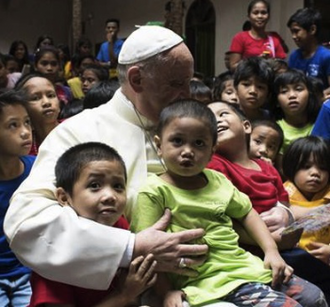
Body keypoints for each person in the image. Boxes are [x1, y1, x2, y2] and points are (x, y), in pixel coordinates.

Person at [4, 25, 209, 291]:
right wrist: (129, 247)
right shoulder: (79, 132)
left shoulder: (190, 129)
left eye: (188, 82)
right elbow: (26, 225)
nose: (187, 94)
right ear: (137, 80)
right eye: (176, 84)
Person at [131, 99, 326, 307]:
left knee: (315, 297)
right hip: (206, 281)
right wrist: (165, 292)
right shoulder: (153, 192)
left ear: (211, 151)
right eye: (177, 141)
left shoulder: (217, 180)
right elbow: (149, 251)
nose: (188, 151)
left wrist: (271, 251)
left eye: (199, 143)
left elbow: (247, 213)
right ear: (159, 145)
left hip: (245, 267)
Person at [206, 101, 330, 303]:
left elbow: (285, 207)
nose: (216, 120)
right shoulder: (215, 167)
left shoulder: (267, 168)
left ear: (246, 126)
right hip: (250, 252)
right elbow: (223, 221)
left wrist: (289, 222)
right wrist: (274, 242)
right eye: (209, 119)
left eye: (223, 114)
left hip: (285, 248)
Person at [29, 142, 157, 307]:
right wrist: (123, 295)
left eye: (118, 186)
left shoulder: (119, 224)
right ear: (64, 197)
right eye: (95, 186)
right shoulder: (53, 253)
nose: (110, 196)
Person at [282, 136, 330, 303]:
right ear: (291, 167)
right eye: (306, 166)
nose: (315, 173)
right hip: (295, 266)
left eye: (323, 168)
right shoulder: (281, 194)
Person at [0, 90, 35, 307]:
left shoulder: (38, 168)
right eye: (13, 125)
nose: (25, 132)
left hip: (31, 269)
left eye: (27, 122)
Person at [273, 69, 320, 177]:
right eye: (284, 91)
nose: (292, 95)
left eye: (298, 89)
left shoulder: (320, 123)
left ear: (309, 94)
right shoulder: (276, 130)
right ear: (277, 102)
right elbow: (281, 169)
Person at [228, 0, 286, 72]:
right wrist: (256, 61)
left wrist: (271, 63)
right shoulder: (240, 38)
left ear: (268, 16)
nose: (260, 16)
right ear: (249, 16)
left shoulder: (274, 39)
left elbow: (283, 67)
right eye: (255, 13)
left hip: (269, 82)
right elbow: (233, 66)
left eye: (263, 13)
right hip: (249, 81)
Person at [287, 7, 330, 99]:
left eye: (296, 31)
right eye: (292, 32)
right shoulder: (294, 56)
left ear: (312, 30)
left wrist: (317, 98)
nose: (293, 37)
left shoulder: (326, 56)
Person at [15, 72, 61, 156]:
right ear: (23, 107)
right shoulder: (23, 147)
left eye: (51, 95)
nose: (46, 102)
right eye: (35, 98)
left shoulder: (75, 128)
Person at [233, 56, 273, 121]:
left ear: (268, 93)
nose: (253, 91)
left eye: (260, 87)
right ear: (236, 88)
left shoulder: (272, 119)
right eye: (246, 84)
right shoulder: (227, 118)